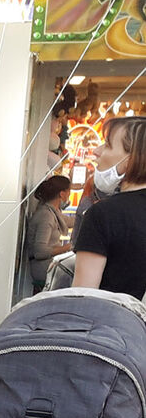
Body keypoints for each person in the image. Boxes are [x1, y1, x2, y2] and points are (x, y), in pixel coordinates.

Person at [74, 115, 146, 298]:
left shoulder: (102, 214)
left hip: (114, 323)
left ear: (131, 160)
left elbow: (82, 297)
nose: (97, 151)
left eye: (107, 145)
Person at [24, 175, 72, 294]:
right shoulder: (46, 216)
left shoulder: (52, 212)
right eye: (69, 192)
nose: (69, 195)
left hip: (49, 266)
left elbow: (70, 221)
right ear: (62, 194)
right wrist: (68, 248)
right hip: (42, 269)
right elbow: (40, 252)